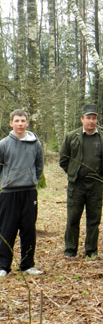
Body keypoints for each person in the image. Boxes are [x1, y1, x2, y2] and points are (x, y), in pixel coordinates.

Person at [60, 104, 103, 259]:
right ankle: (70, 250)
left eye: (94, 118)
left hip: (95, 185)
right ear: (82, 119)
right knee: (73, 218)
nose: (91, 121)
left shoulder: (102, 138)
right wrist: (73, 173)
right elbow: (63, 160)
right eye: (88, 118)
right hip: (76, 185)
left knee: (94, 219)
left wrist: (100, 177)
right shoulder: (72, 137)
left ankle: (91, 251)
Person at [0, 110, 44, 277]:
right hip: (8, 193)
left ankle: (27, 265)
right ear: (11, 123)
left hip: (29, 192)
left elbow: (39, 166)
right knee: (6, 230)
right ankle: (3, 266)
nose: (20, 124)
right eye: (16, 121)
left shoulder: (36, 144)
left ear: (27, 123)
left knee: (28, 230)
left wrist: (31, 179)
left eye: (23, 121)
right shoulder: (3, 144)